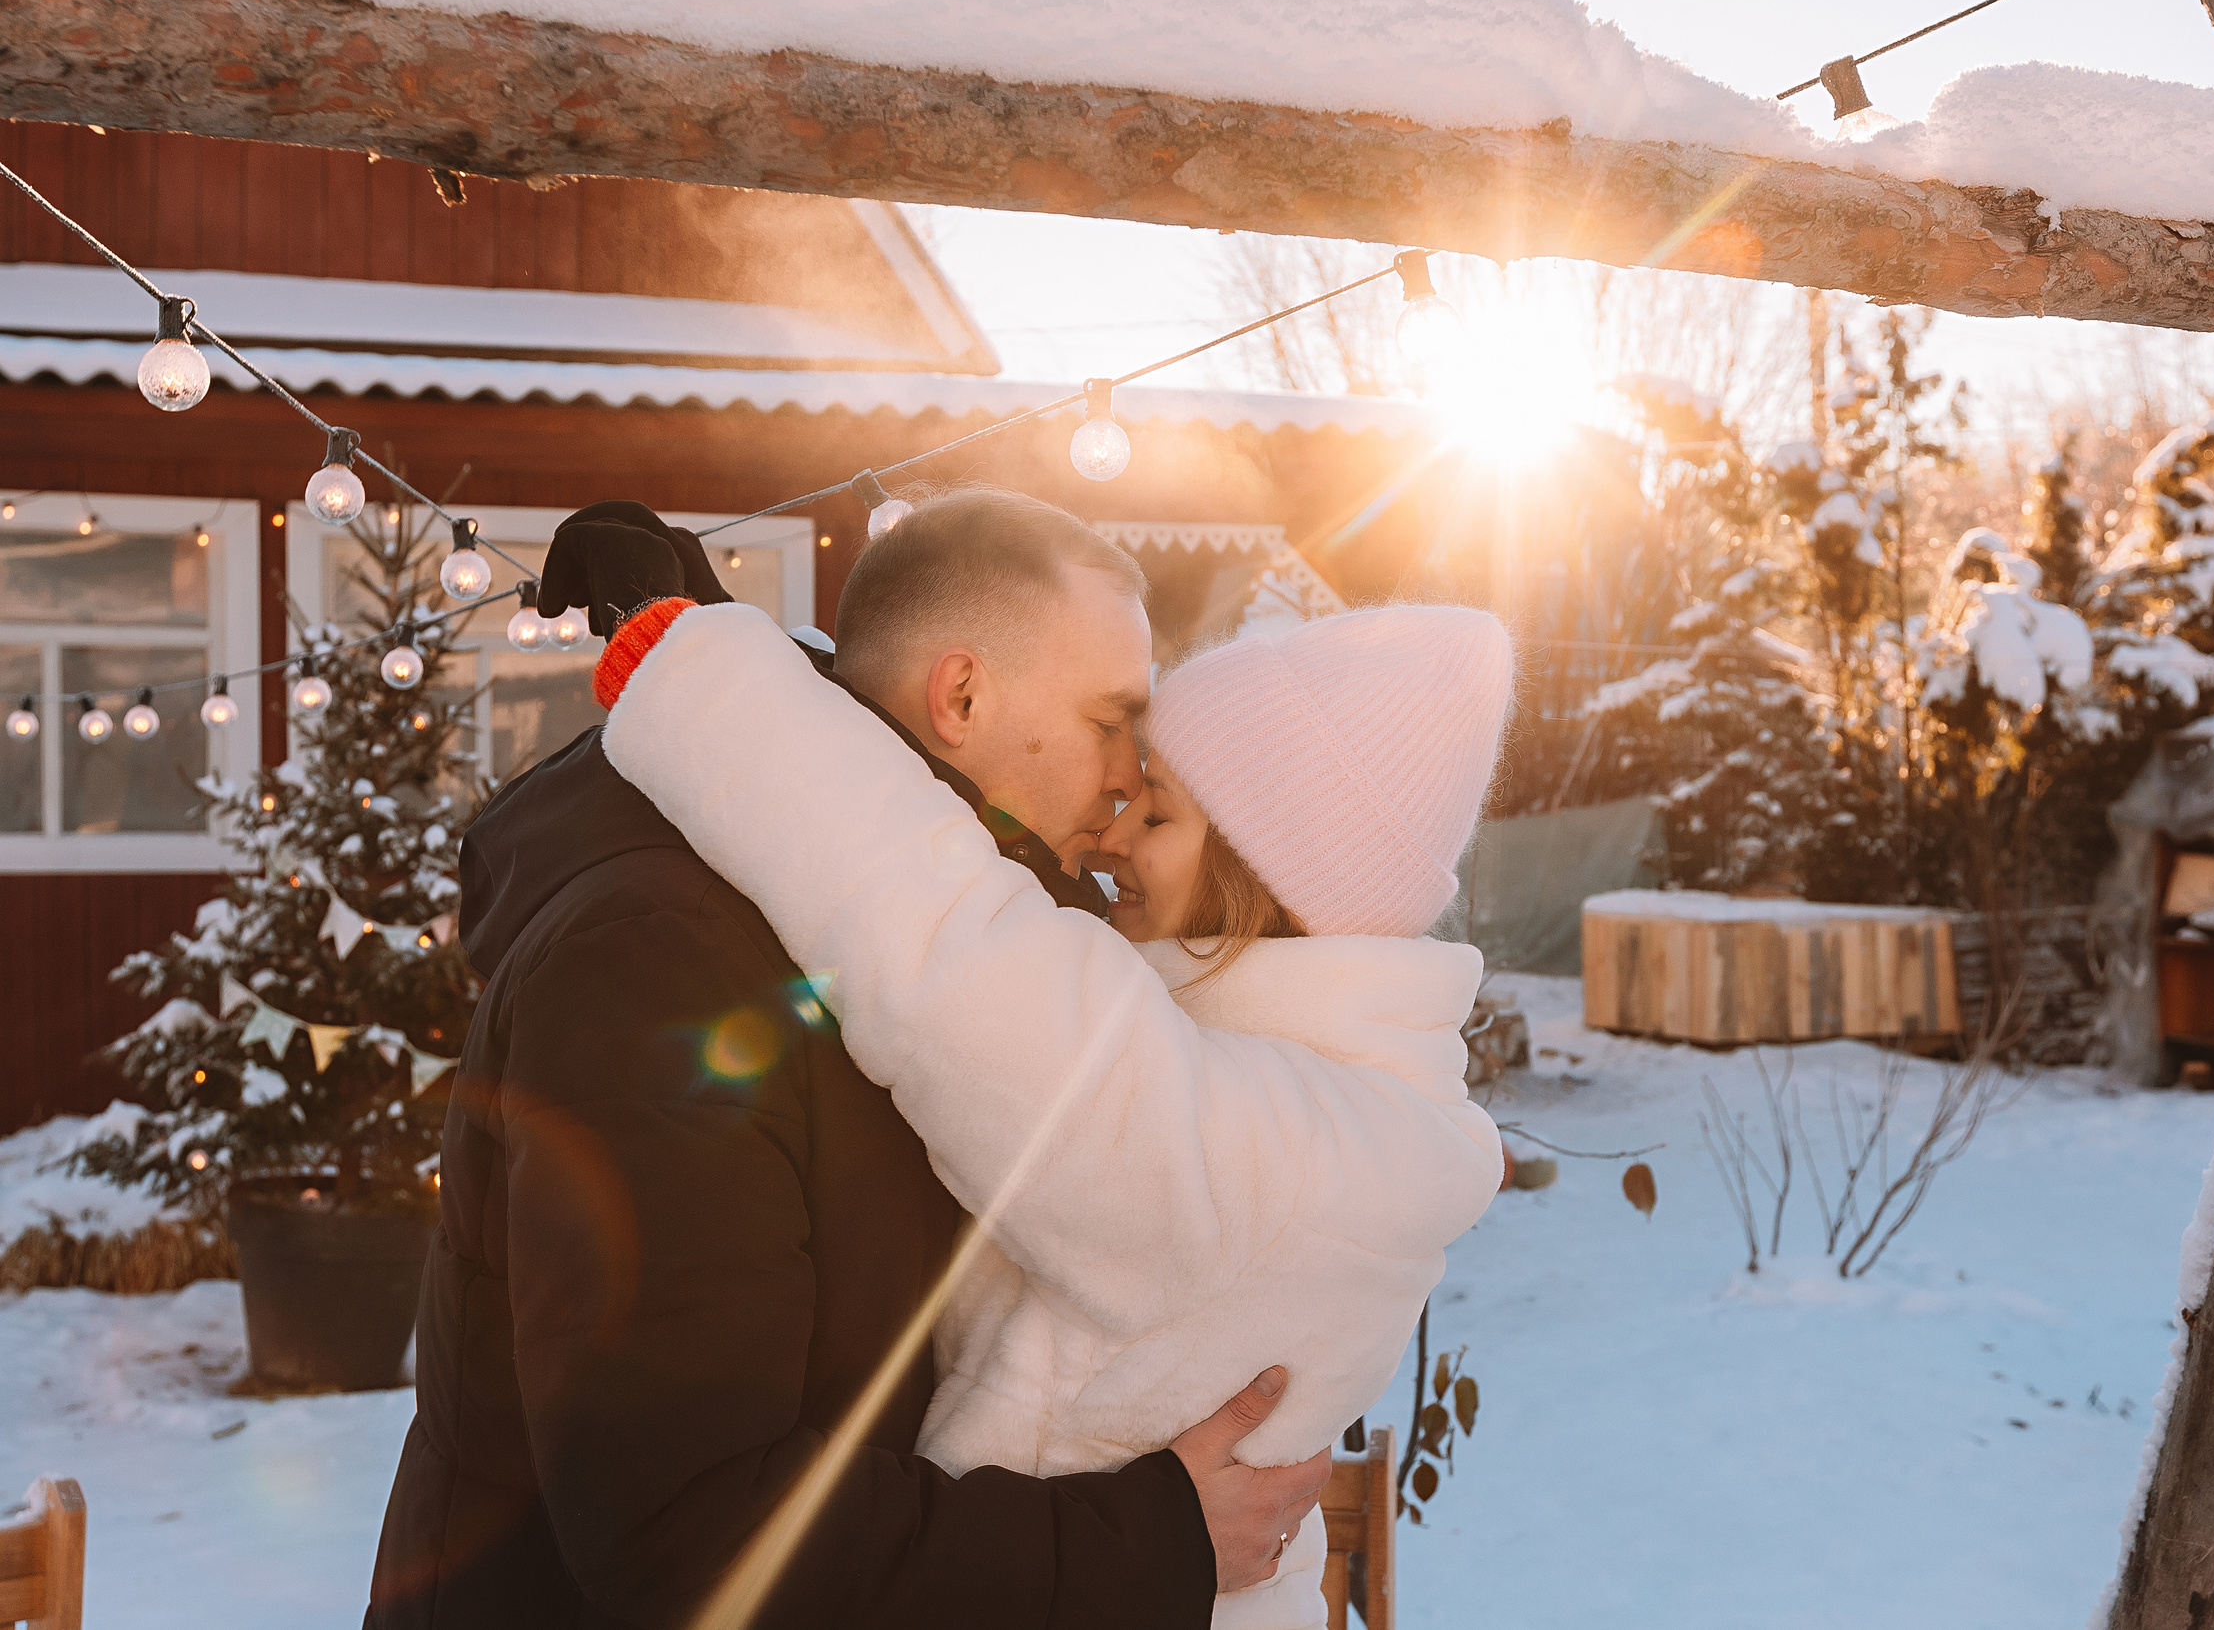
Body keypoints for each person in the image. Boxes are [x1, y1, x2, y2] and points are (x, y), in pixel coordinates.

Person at [367, 496, 1327, 1630]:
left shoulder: (902, 944)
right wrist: (1144, 1545)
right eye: (1112, 718)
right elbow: (687, 1530)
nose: (1132, 775)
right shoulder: (666, 962)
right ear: (962, 695)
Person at [588, 512, 1514, 1630]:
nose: (1115, 829)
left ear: (1261, 884)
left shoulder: (1286, 1156)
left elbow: (947, 947)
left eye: (1158, 810)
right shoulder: (1345, 1111)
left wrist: (704, 675)